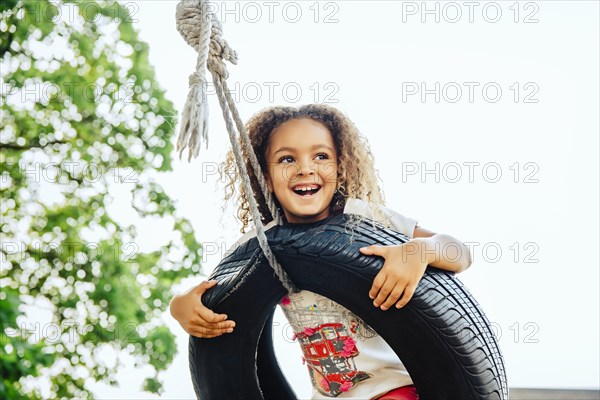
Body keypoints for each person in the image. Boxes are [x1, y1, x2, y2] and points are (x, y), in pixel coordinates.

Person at [169, 104, 472, 400]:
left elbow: (460, 253)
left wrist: (420, 250)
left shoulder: (365, 219)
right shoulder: (261, 246)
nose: (305, 168)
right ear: (265, 177)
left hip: (393, 389)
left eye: (321, 156)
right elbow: (215, 298)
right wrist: (179, 306)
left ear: (339, 168)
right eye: (287, 159)